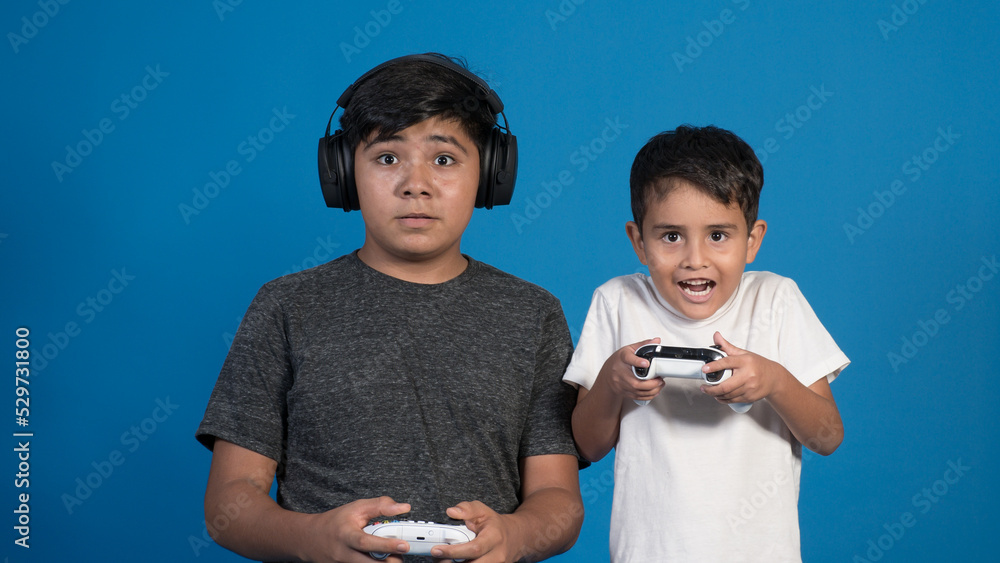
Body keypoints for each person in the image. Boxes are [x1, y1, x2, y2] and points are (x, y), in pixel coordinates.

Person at [196, 53, 584, 563]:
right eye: (386, 158)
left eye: (444, 159)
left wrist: (512, 538)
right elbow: (229, 501)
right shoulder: (286, 306)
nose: (414, 184)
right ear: (342, 173)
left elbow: (558, 501)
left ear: (491, 174)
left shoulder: (532, 314)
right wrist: (316, 540)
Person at [563, 125, 849, 561]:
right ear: (639, 241)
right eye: (671, 236)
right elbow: (587, 446)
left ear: (752, 241)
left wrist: (774, 381)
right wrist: (612, 383)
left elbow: (828, 436)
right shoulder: (617, 301)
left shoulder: (775, 299)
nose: (695, 259)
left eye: (718, 235)